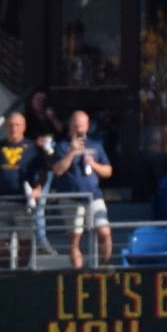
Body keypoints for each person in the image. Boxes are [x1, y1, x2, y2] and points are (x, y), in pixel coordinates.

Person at [49, 109, 112, 268]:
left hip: (94, 196)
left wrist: (94, 165)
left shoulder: (96, 145)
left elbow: (108, 171)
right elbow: (57, 170)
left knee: (104, 231)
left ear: (87, 126)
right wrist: (71, 152)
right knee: (75, 239)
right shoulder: (62, 146)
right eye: (76, 126)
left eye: (82, 126)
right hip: (71, 198)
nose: (79, 130)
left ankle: (105, 267)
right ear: (70, 126)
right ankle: (78, 274)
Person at [0, 110, 41, 266]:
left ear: (24, 127)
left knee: (25, 241)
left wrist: (38, 188)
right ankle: (6, 271)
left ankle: (21, 272)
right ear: (6, 128)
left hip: (24, 203)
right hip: (1, 202)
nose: (14, 128)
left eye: (17, 125)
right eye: (10, 125)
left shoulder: (32, 148)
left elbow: (43, 171)